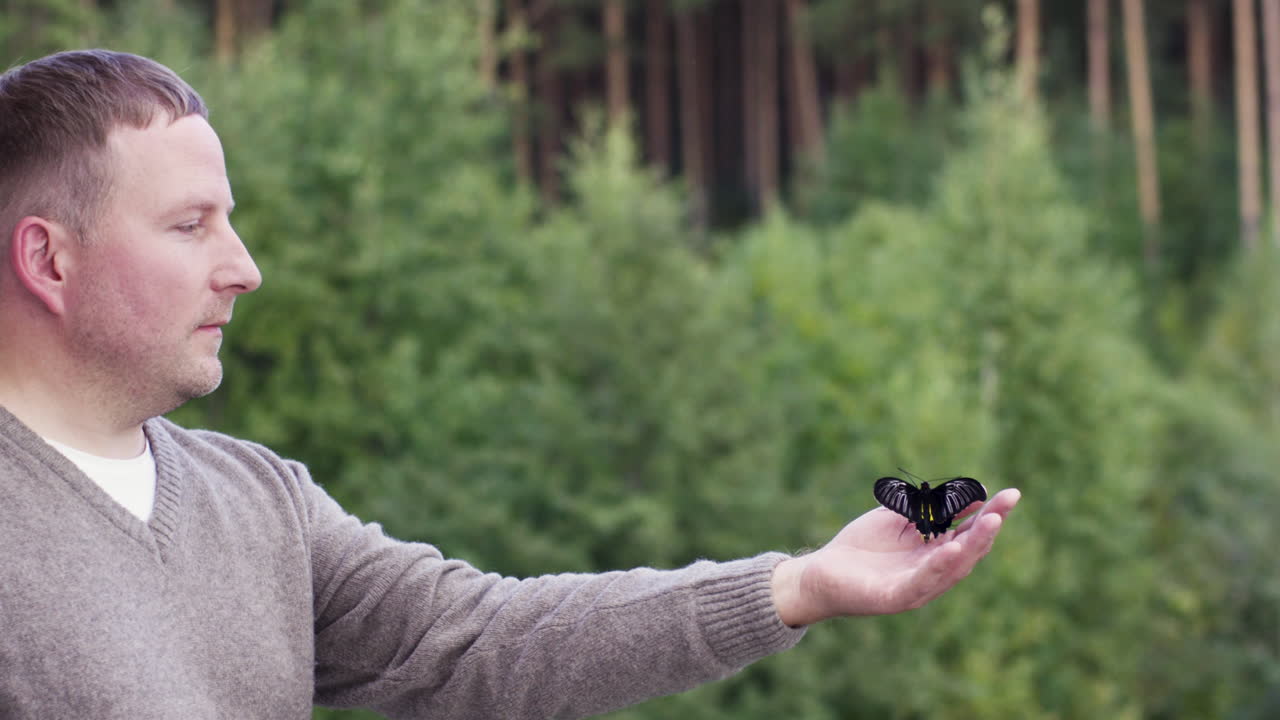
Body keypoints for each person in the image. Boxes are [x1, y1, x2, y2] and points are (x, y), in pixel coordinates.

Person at [0, 49, 1021, 719]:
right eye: (190, 226)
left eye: (230, 220)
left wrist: (793, 585)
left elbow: (483, 642)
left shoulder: (261, 502)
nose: (244, 266)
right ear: (48, 261)